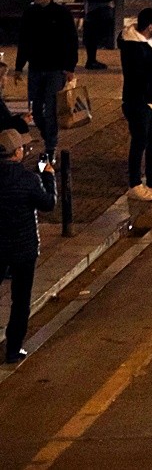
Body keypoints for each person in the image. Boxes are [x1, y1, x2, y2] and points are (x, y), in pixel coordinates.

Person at [0, 127, 54, 363]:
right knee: (20, 300)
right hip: (23, 249)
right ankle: (13, 349)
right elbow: (48, 204)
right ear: (17, 152)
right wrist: (48, 177)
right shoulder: (29, 180)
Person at [14, 0, 77, 162]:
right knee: (36, 110)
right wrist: (19, 67)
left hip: (55, 70)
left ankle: (50, 149)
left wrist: (69, 67)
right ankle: (48, 137)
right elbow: (24, 41)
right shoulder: (30, 13)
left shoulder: (61, 14)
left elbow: (70, 41)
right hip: (36, 68)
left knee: (50, 110)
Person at [119, 8, 152, 201]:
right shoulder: (132, 46)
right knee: (139, 141)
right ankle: (135, 184)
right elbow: (137, 73)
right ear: (150, 26)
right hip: (138, 100)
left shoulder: (146, 42)